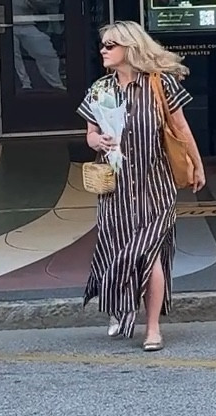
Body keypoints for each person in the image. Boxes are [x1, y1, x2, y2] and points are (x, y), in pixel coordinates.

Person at [78, 19, 206, 351]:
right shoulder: (99, 90)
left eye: (110, 45)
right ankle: (121, 307)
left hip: (156, 187)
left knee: (150, 255)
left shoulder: (160, 84)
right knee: (117, 253)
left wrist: (197, 165)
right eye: (102, 45)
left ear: (130, 49)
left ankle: (152, 329)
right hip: (115, 190)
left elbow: (181, 128)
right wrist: (97, 141)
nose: (103, 50)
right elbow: (89, 133)